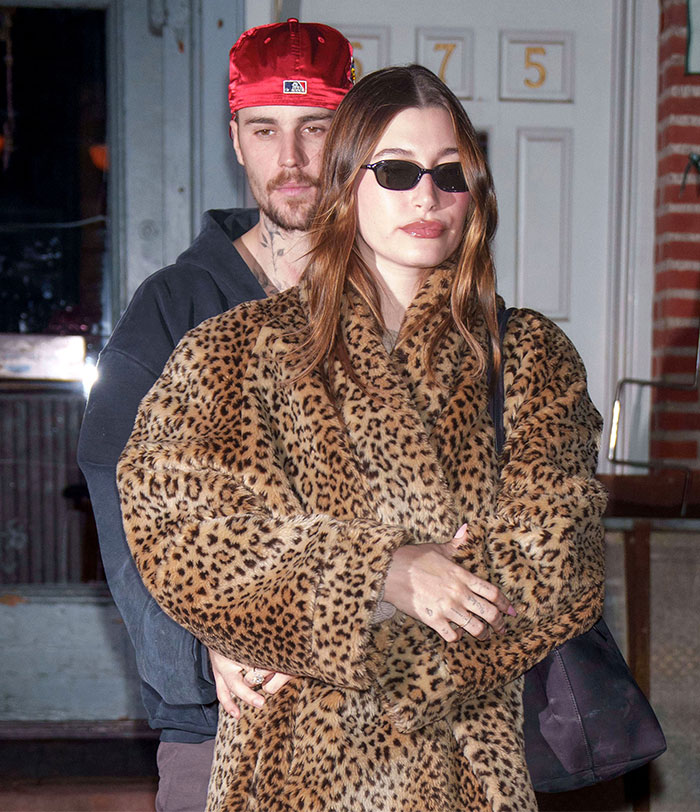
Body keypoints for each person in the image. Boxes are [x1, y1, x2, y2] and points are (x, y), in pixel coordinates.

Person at [117, 65, 607, 811]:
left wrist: (308, 621)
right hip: (289, 781)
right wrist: (379, 574)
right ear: (346, 183)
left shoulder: (530, 355)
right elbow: (180, 531)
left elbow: (559, 559)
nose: (427, 196)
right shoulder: (238, 353)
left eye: (451, 175)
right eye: (398, 170)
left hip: (468, 778)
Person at [77, 18, 354, 811]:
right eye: (266, 130)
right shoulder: (173, 306)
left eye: (316, 129)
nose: (292, 160)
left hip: (378, 716)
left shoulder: (394, 292)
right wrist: (200, 652)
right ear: (237, 140)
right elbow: (116, 482)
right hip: (226, 719)